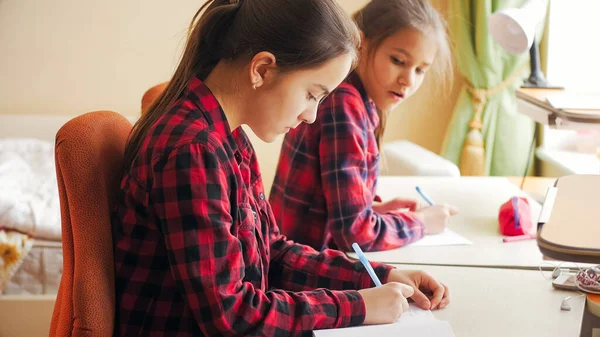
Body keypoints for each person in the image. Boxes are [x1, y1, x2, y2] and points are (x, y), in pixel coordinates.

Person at [112, 0, 449, 336]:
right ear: (262, 70)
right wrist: (359, 306)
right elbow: (232, 315)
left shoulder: (229, 140)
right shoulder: (193, 153)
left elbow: (273, 252)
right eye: (311, 94)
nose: (312, 115)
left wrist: (378, 276)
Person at [270, 0, 458, 252]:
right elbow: (355, 235)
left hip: (302, 255)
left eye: (420, 70)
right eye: (398, 60)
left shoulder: (356, 99)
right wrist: (422, 222)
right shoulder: (343, 105)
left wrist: (373, 211)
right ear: (361, 44)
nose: (408, 80)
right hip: (305, 270)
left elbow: (337, 210)